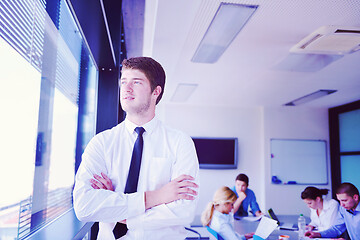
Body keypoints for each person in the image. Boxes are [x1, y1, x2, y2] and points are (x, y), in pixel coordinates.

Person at [73, 57, 200, 240]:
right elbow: (84, 206)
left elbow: (184, 211)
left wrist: (118, 210)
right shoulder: (101, 143)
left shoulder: (180, 142)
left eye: (136, 82)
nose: (126, 88)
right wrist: (156, 197)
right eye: (123, 82)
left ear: (156, 91)